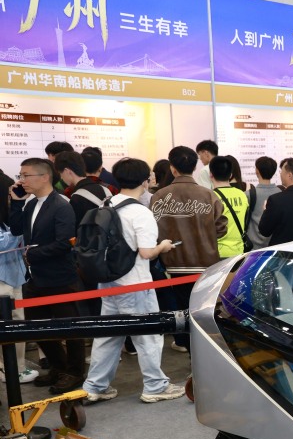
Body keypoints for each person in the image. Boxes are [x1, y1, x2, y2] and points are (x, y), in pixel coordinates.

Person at [82, 158, 185, 404]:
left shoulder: (107, 203)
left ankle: (94, 386)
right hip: (135, 283)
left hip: (109, 281)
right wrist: (163, 246)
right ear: (145, 181)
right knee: (148, 335)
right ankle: (155, 386)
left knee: (108, 336)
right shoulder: (140, 212)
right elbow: (147, 253)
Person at [8, 158, 85, 392]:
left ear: (44, 177)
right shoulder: (31, 204)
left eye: (26, 175)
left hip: (60, 277)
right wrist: (17, 203)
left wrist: (32, 255)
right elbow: (16, 229)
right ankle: (59, 367)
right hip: (35, 278)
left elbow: (65, 243)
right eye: (20, 175)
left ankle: (75, 372)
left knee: (70, 328)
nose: (21, 180)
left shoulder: (61, 205)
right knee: (37, 327)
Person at [151, 146, 227, 351]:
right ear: (194, 167)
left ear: (172, 168)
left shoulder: (159, 196)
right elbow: (221, 228)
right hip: (206, 264)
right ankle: (205, 349)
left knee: (180, 309)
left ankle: (186, 344)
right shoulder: (209, 195)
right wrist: (205, 237)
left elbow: (153, 231)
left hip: (173, 264)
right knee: (204, 309)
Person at [0, 185, 37, 384]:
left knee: (17, 322)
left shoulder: (7, 217)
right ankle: (9, 368)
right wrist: (19, 228)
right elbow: (3, 243)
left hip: (14, 274)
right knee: (8, 323)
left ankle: (17, 366)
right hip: (2, 278)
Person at [208, 156, 249, 259]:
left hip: (217, 252)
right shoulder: (242, 195)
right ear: (230, 175)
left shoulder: (209, 197)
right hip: (239, 252)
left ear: (211, 174)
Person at [54, 150, 108, 226]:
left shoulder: (77, 198)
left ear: (67, 171)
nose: (61, 178)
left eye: (60, 173)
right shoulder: (105, 189)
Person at [247, 156, 279, 250]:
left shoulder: (248, 194)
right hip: (275, 245)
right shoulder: (281, 193)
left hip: (252, 246)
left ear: (257, 171)